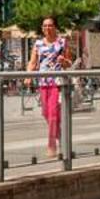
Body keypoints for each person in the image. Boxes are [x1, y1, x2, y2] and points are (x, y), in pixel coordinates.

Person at [29, 16, 73, 157]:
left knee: (53, 114)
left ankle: (52, 146)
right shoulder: (38, 44)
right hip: (43, 82)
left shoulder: (62, 42)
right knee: (46, 113)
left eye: (50, 25)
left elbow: (69, 63)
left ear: (55, 27)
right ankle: (61, 137)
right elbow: (32, 62)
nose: (47, 28)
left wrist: (64, 60)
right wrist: (28, 76)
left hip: (57, 83)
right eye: (45, 26)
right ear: (42, 28)